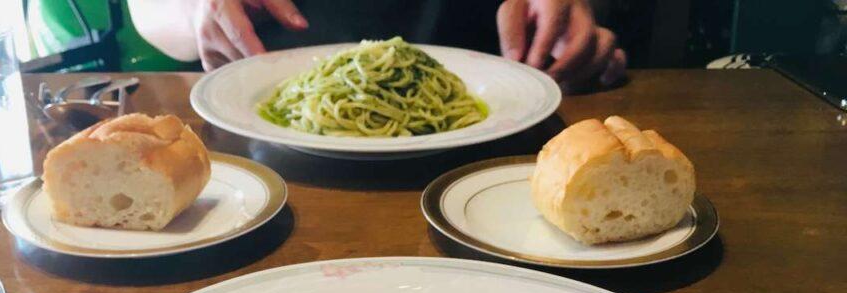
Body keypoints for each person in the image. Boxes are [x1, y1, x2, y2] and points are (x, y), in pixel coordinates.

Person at [127, 0, 627, 90]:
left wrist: (570, 27)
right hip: (270, 172)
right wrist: (193, 11)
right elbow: (148, 11)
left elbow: (577, 12)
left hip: (494, 158)